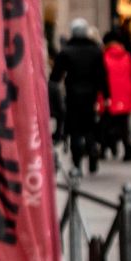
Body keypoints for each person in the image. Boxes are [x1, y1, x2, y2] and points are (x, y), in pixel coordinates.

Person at [51, 18, 105, 175]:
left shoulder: (67, 51)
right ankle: (92, 150)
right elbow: (102, 75)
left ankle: (77, 162)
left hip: (73, 95)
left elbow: (55, 76)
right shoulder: (96, 50)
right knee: (89, 127)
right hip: (91, 95)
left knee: (75, 129)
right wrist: (106, 95)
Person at [101, 26, 131, 163]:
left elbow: (101, 78)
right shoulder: (127, 56)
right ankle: (128, 150)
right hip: (125, 95)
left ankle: (104, 149)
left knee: (106, 123)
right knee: (124, 125)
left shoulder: (104, 57)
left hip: (110, 96)